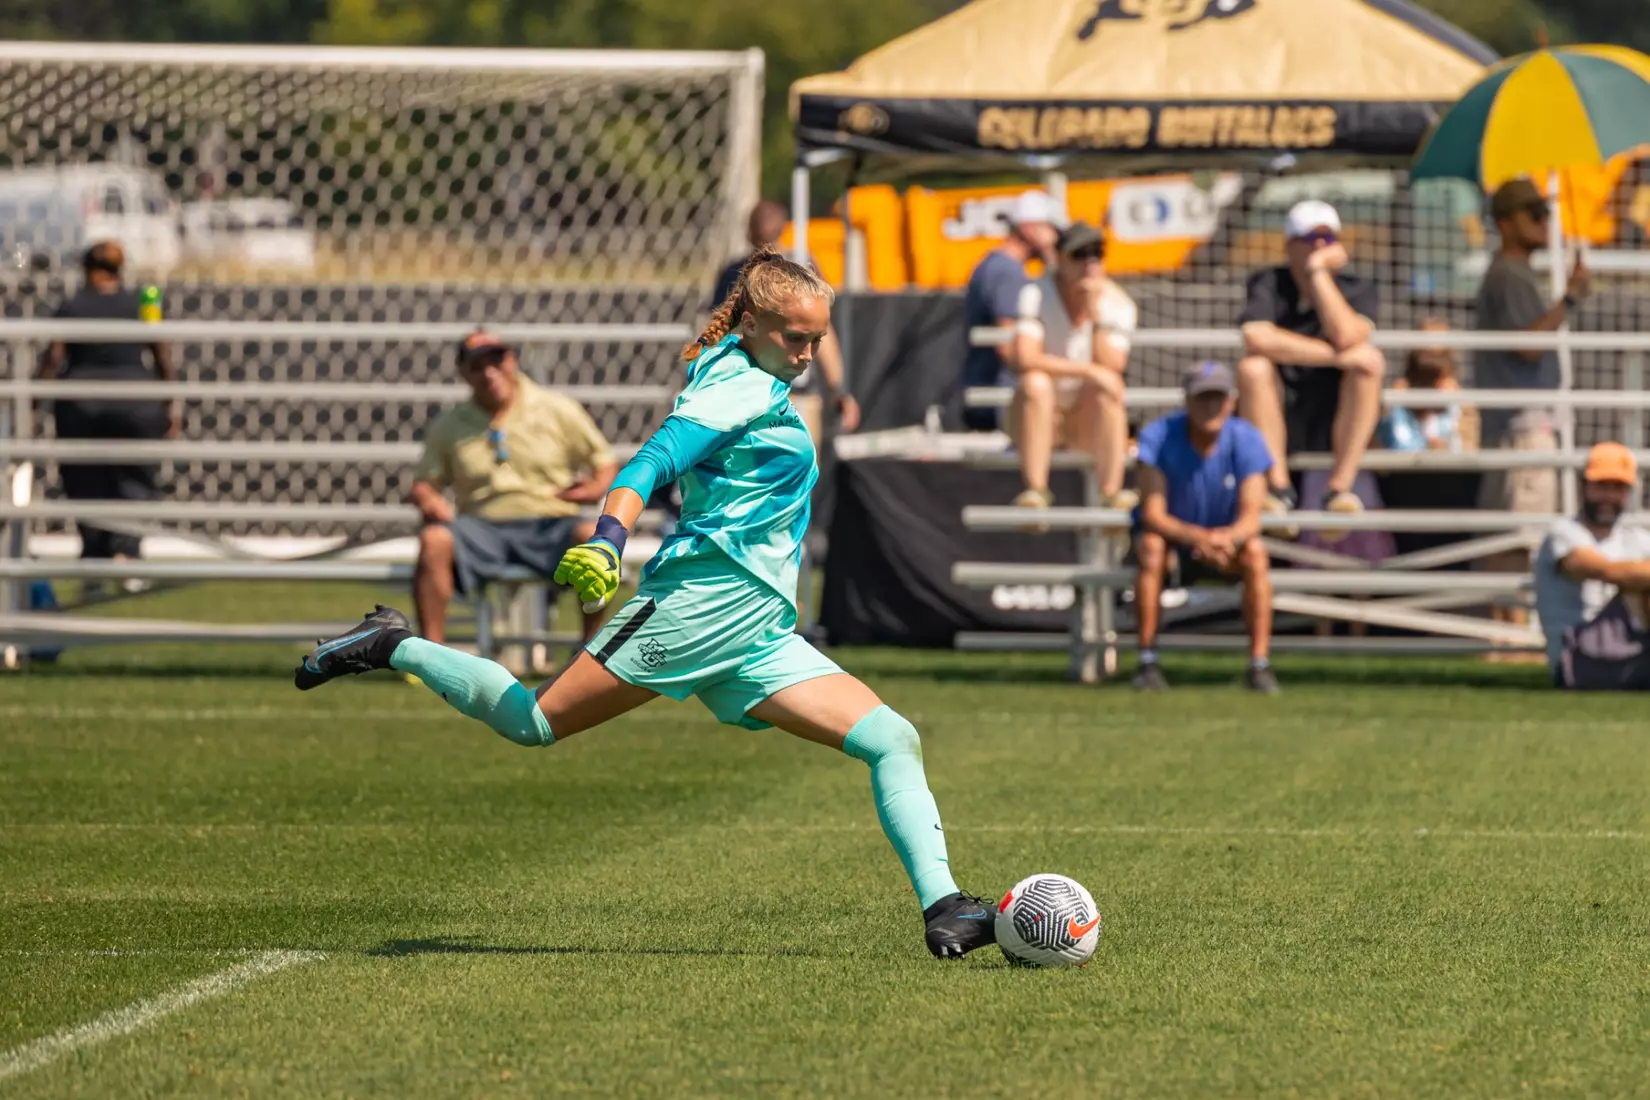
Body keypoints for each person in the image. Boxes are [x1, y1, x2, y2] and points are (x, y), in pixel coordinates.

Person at [295, 247, 998, 960]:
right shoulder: (736, 389)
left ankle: (945, 909)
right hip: (696, 609)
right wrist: (607, 540)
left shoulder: (747, 370)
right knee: (534, 724)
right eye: (796, 338)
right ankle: (391, 643)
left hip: (755, 632)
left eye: (819, 338)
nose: (809, 354)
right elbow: (647, 464)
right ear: (752, 323)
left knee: (891, 738)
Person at [409, 330, 619, 647]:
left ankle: (588, 650)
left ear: (513, 360)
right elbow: (425, 482)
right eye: (477, 366)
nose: (489, 372)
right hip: (480, 527)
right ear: (464, 374)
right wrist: (430, 501)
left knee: (594, 539)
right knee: (434, 539)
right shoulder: (450, 424)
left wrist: (594, 489)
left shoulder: (556, 408)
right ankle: (429, 654)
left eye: (496, 361)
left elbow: (604, 463)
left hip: (551, 522)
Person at [1132, 361, 1278, 695]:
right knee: (1151, 549)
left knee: (1256, 551)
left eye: (1217, 397)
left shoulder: (1247, 439)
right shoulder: (1158, 436)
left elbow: (1252, 516)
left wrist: (1225, 538)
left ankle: (1259, 665)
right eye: (1202, 398)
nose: (1210, 406)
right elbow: (1153, 514)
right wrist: (1199, 537)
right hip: (1175, 544)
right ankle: (1147, 660)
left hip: (1228, 546)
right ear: (1187, 400)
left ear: (1231, 401)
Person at [1237, 200, 1385, 517]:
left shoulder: (1359, 287)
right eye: (1309, 239)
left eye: (1328, 239)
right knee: (1253, 367)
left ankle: (1338, 490)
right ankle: (1279, 490)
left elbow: (1348, 336)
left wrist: (1319, 274)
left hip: (1335, 411)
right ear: (1290, 245)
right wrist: (1337, 358)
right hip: (1280, 408)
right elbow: (1256, 337)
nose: (1319, 246)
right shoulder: (1268, 282)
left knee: (1370, 364)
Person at [35, 240, 177, 563]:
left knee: (85, 479)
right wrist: (172, 403)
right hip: (136, 403)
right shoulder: (144, 301)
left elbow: (53, 360)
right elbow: (162, 354)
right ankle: (127, 552)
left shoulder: (72, 305)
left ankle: (94, 551)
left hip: (81, 405)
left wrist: (31, 406)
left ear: (86, 269)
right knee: (135, 478)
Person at [1007, 220, 1138, 512]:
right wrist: (1088, 370)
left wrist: (1095, 315)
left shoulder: (1117, 304)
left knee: (1110, 387)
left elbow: (1112, 365)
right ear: (1060, 259)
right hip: (1038, 423)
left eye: (1097, 253)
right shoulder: (1035, 293)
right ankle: (1035, 492)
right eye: (1080, 254)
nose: (1090, 263)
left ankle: (1111, 494)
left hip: (1084, 423)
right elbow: (1024, 358)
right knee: (1035, 384)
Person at [712, 199, 859, 443]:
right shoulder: (800, 268)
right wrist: (839, 390)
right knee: (795, 473)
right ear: (784, 229)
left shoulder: (737, 272)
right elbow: (824, 334)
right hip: (778, 394)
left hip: (751, 393)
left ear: (748, 233)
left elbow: (714, 333)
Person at [1533, 442, 1650, 690]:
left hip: (1632, 648)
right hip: (1577, 659)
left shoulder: (1635, 538)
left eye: (1617, 488)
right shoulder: (1564, 534)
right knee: (1640, 584)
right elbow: (1604, 570)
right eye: (1601, 486)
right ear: (1583, 487)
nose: (1608, 496)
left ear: (1628, 493)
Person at [959, 189, 1062, 433]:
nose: (1055, 238)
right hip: (1001, 405)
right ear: (1029, 228)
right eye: (1050, 229)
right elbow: (1010, 348)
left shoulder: (995, 266)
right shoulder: (1008, 274)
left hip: (993, 400)